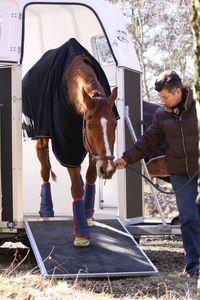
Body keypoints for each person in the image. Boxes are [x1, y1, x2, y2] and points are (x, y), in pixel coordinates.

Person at [115, 70, 199, 278]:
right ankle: (194, 266)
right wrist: (126, 158)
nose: (163, 101)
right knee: (189, 218)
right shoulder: (162, 115)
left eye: (165, 97)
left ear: (178, 91)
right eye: (161, 97)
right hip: (180, 174)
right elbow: (148, 141)